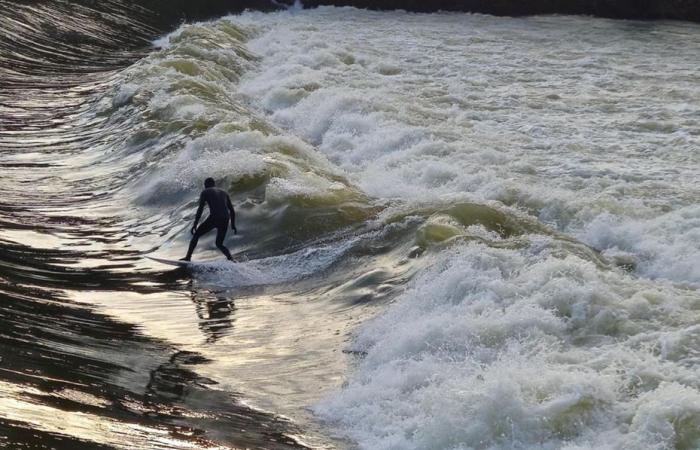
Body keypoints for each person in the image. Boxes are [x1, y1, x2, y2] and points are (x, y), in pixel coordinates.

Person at [181, 177, 236, 261]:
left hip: (215, 217)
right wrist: (233, 224)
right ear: (214, 184)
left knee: (196, 235)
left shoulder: (205, 191)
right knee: (219, 243)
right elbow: (231, 210)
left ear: (205, 185)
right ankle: (231, 259)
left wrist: (195, 223)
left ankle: (188, 257)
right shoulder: (224, 193)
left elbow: (200, 208)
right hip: (225, 218)